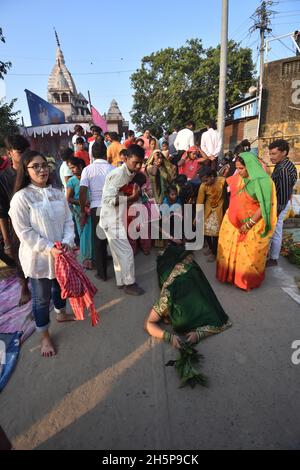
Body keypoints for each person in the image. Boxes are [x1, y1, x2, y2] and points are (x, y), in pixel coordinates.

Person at [9, 150, 75, 357]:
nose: (41, 170)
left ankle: (61, 313)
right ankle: (45, 336)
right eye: (35, 166)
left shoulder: (56, 192)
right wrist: (49, 248)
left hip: (60, 252)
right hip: (38, 258)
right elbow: (25, 232)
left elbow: (67, 220)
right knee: (41, 299)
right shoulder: (21, 198)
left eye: (44, 165)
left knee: (60, 286)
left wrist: (66, 242)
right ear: (26, 171)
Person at [145, 244, 232, 349]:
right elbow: (149, 323)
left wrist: (199, 335)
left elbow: (220, 321)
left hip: (186, 270)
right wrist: (169, 337)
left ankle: (175, 247)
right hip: (170, 269)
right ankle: (173, 247)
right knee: (166, 259)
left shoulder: (202, 299)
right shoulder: (168, 297)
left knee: (184, 258)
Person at [217, 152, 277, 291]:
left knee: (248, 255)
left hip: (253, 224)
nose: (239, 171)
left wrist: (249, 224)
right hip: (232, 222)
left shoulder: (263, 182)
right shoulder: (238, 177)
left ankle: (246, 281)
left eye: (241, 168)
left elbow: (264, 207)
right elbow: (229, 189)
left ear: (250, 166)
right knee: (229, 250)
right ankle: (230, 276)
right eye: (237, 168)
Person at [100, 144, 145, 295]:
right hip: (111, 220)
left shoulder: (129, 174)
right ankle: (130, 283)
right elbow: (108, 199)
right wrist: (131, 197)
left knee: (118, 253)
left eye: (141, 163)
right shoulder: (119, 174)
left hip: (113, 218)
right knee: (126, 252)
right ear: (126, 158)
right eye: (135, 162)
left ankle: (121, 281)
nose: (138, 166)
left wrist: (131, 198)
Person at [80, 142, 114, 281]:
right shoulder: (113, 169)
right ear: (106, 153)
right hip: (111, 207)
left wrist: (83, 211)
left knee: (99, 241)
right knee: (113, 239)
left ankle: (102, 274)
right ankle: (119, 272)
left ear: (92, 154)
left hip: (96, 207)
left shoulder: (87, 170)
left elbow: (83, 192)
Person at [267, 139, 297, 267]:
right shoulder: (286, 164)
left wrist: (277, 211)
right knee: (275, 231)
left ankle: (273, 258)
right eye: (270, 153)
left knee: (276, 231)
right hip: (280, 202)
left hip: (280, 204)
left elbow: (284, 193)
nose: (271, 156)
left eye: (274, 154)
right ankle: (272, 255)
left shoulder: (283, 169)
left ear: (283, 152)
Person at [66, 157, 93, 269]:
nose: (72, 170)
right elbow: (69, 198)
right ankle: (86, 259)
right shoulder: (72, 181)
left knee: (92, 233)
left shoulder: (89, 177)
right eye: (70, 168)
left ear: (80, 166)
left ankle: (93, 257)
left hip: (91, 209)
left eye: (73, 167)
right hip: (80, 211)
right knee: (83, 234)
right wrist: (83, 203)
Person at [197, 167, 226, 262]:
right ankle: (210, 247)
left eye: (206, 180)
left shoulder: (222, 181)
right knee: (206, 231)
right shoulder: (203, 186)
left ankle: (214, 253)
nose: (205, 183)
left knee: (216, 234)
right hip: (208, 210)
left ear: (212, 176)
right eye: (203, 181)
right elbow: (200, 201)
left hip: (219, 210)